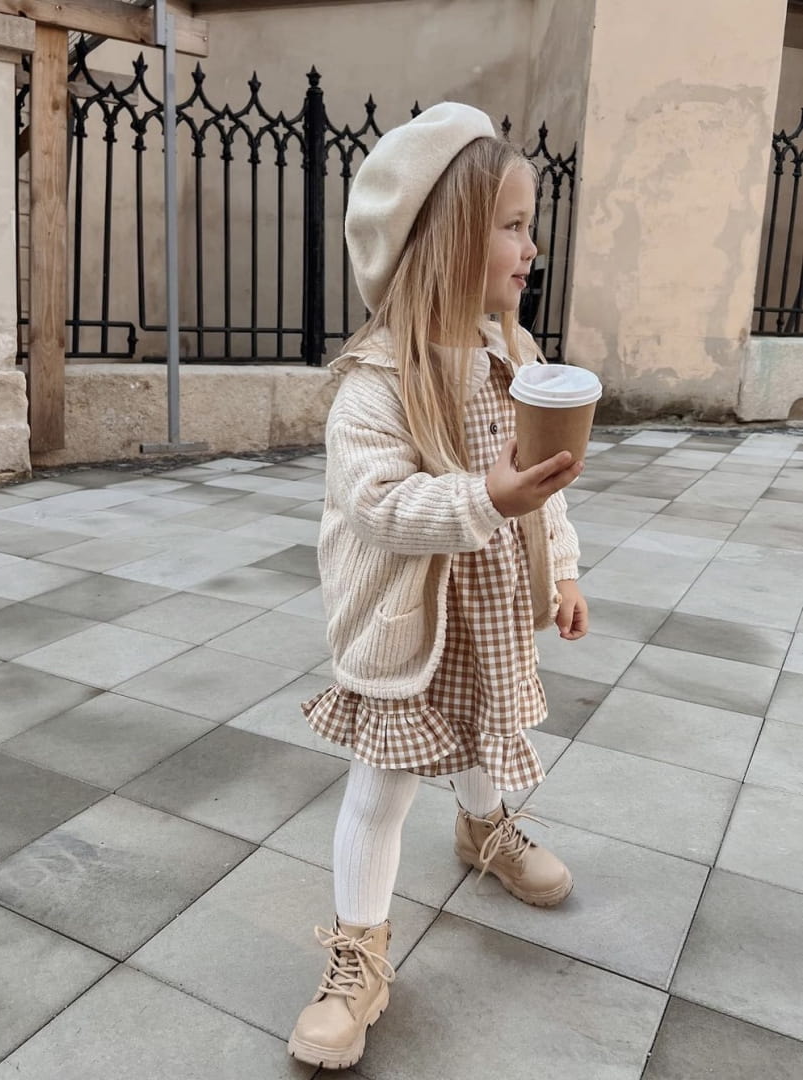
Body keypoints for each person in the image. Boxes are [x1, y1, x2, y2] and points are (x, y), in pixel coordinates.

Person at [286, 102, 590, 1071]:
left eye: (529, 225)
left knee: (484, 725)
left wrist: (564, 568)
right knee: (380, 790)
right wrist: (485, 495)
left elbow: (548, 490)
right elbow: (379, 504)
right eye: (512, 225)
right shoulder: (378, 380)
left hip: (487, 611)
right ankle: (358, 954)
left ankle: (483, 827)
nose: (531, 247)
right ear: (447, 238)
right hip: (406, 622)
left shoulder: (518, 360)